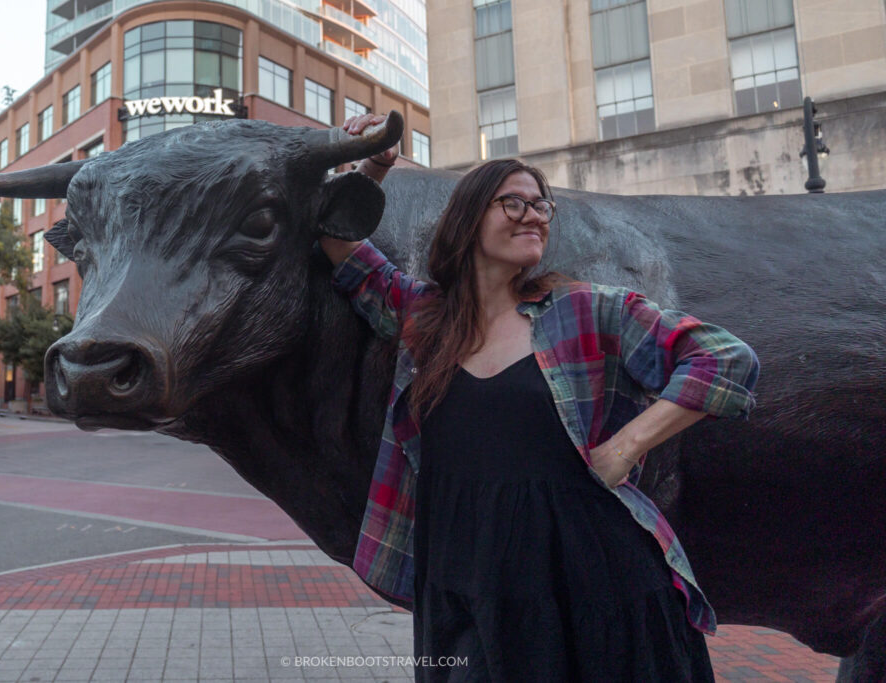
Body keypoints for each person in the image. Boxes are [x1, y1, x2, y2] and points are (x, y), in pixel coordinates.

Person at [320, 114, 760, 681]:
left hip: (598, 588)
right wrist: (375, 162)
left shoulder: (587, 310)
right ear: (466, 219)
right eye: (513, 203)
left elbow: (726, 359)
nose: (534, 215)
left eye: (542, 205)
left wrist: (627, 446)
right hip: (462, 584)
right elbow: (336, 237)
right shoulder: (424, 318)